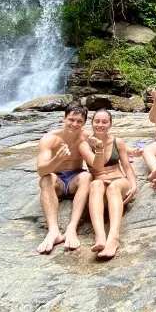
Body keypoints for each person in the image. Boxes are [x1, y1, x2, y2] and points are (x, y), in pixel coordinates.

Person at [79, 109, 138, 260]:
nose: (100, 125)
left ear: (110, 124)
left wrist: (134, 186)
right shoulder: (84, 145)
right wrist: (98, 147)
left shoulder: (118, 142)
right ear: (92, 123)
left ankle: (114, 237)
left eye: (105, 122)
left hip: (119, 182)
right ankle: (100, 236)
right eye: (97, 121)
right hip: (99, 184)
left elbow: (127, 167)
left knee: (113, 187)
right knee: (95, 185)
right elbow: (97, 167)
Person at [35, 104, 93, 254]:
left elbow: (104, 150)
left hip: (75, 179)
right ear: (64, 118)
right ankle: (53, 230)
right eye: (71, 119)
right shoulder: (50, 139)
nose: (74, 124)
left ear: (84, 123)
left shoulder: (86, 137)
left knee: (87, 176)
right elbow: (41, 170)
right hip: (57, 181)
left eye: (79, 121)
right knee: (46, 179)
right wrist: (57, 159)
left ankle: (72, 227)